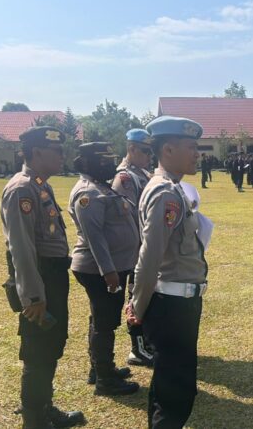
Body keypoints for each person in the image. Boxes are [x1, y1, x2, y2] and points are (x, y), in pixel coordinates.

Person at [127, 116, 209, 428]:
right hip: (172, 305)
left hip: (179, 301)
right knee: (175, 390)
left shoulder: (173, 188)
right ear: (169, 150)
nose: (197, 153)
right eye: (191, 147)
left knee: (172, 386)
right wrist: (138, 306)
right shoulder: (165, 193)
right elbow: (149, 256)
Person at [0, 127, 85, 429]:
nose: (62, 156)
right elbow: (21, 248)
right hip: (40, 280)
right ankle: (34, 421)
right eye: (57, 151)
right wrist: (33, 296)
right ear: (37, 153)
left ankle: (44, 408)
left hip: (52, 276)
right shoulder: (22, 189)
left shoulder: (39, 186)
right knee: (38, 352)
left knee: (51, 345)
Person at [68, 142, 140, 396]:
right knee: (105, 322)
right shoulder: (87, 193)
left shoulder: (102, 187)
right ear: (87, 164)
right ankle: (105, 379)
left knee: (102, 319)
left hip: (112, 266)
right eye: (103, 161)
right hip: (99, 269)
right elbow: (94, 236)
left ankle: (99, 369)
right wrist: (108, 271)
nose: (110, 165)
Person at [112, 128, 156, 367]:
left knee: (148, 295)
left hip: (145, 245)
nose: (150, 156)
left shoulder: (142, 174)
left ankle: (148, 342)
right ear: (131, 149)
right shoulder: (125, 178)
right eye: (146, 151)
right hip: (135, 248)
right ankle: (137, 349)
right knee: (136, 295)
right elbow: (129, 215)